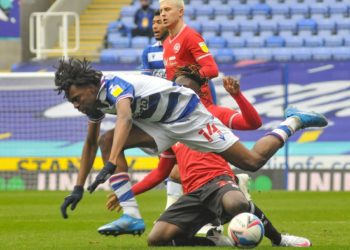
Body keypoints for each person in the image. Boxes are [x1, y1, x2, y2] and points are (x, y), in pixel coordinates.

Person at [57, 58, 327, 237]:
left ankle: (293, 120)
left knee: (252, 161)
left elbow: (126, 116)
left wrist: (112, 161)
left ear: (90, 86)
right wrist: (78, 188)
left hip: (188, 116)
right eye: (72, 103)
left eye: (77, 98)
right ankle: (132, 216)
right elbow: (91, 142)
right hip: (159, 124)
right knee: (104, 140)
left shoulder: (113, 85)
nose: (77, 105)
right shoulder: (94, 104)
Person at [140, 9, 168, 78]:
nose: (154, 26)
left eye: (159, 22)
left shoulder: (178, 47)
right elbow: (145, 79)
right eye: (153, 23)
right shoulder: (148, 51)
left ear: (168, 25)